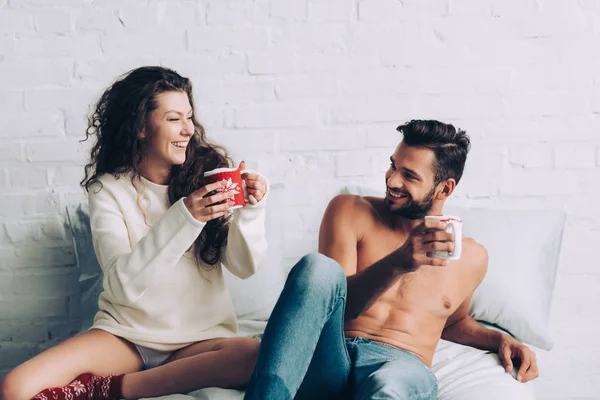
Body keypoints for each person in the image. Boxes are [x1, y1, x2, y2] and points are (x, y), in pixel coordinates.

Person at [0, 66, 269, 400]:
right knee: (15, 388)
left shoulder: (207, 178)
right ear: (141, 127)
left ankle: (114, 389)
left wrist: (252, 212)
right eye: (174, 119)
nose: (188, 130)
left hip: (198, 339)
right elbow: (122, 286)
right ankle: (131, 382)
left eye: (189, 117)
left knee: (252, 355)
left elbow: (244, 267)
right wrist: (185, 216)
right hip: (126, 337)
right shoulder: (108, 190)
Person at [243, 120, 538, 400]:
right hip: (333, 355)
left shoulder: (473, 257)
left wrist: (499, 339)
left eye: (409, 175)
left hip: (400, 363)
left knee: (391, 386)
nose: (392, 180)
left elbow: (453, 323)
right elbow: (335, 309)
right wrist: (399, 262)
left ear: (444, 188)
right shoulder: (350, 211)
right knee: (317, 268)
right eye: (393, 165)